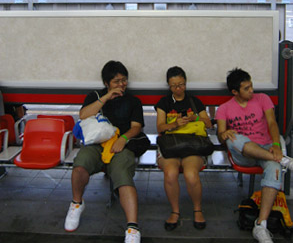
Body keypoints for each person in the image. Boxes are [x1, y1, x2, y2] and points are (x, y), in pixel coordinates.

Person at [64, 60, 144, 243]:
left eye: (124, 80)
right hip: (96, 144)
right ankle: (77, 204)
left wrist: (123, 139)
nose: (121, 85)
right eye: (116, 81)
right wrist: (107, 97)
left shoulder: (133, 101)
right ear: (107, 83)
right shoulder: (95, 96)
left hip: (121, 145)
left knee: (123, 175)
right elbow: (83, 115)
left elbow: (136, 127)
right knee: (80, 165)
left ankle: (132, 228)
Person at [215, 68, 293, 243]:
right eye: (246, 88)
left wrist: (275, 144)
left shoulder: (263, 99)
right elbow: (221, 135)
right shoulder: (224, 109)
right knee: (233, 138)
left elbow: (272, 123)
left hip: (267, 148)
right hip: (245, 154)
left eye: (251, 86)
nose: (251, 91)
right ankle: (283, 160)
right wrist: (224, 134)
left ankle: (260, 225)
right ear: (235, 91)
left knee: (274, 171)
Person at [155, 66, 212, 231]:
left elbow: (208, 124)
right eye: (174, 86)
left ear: (186, 83)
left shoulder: (194, 101)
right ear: (169, 86)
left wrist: (196, 118)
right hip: (170, 145)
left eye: (181, 84)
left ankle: (197, 209)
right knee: (171, 173)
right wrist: (174, 124)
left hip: (192, 145)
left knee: (191, 174)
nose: (178, 89)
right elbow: (160, 128)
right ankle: (175, 211)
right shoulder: (164, 103)